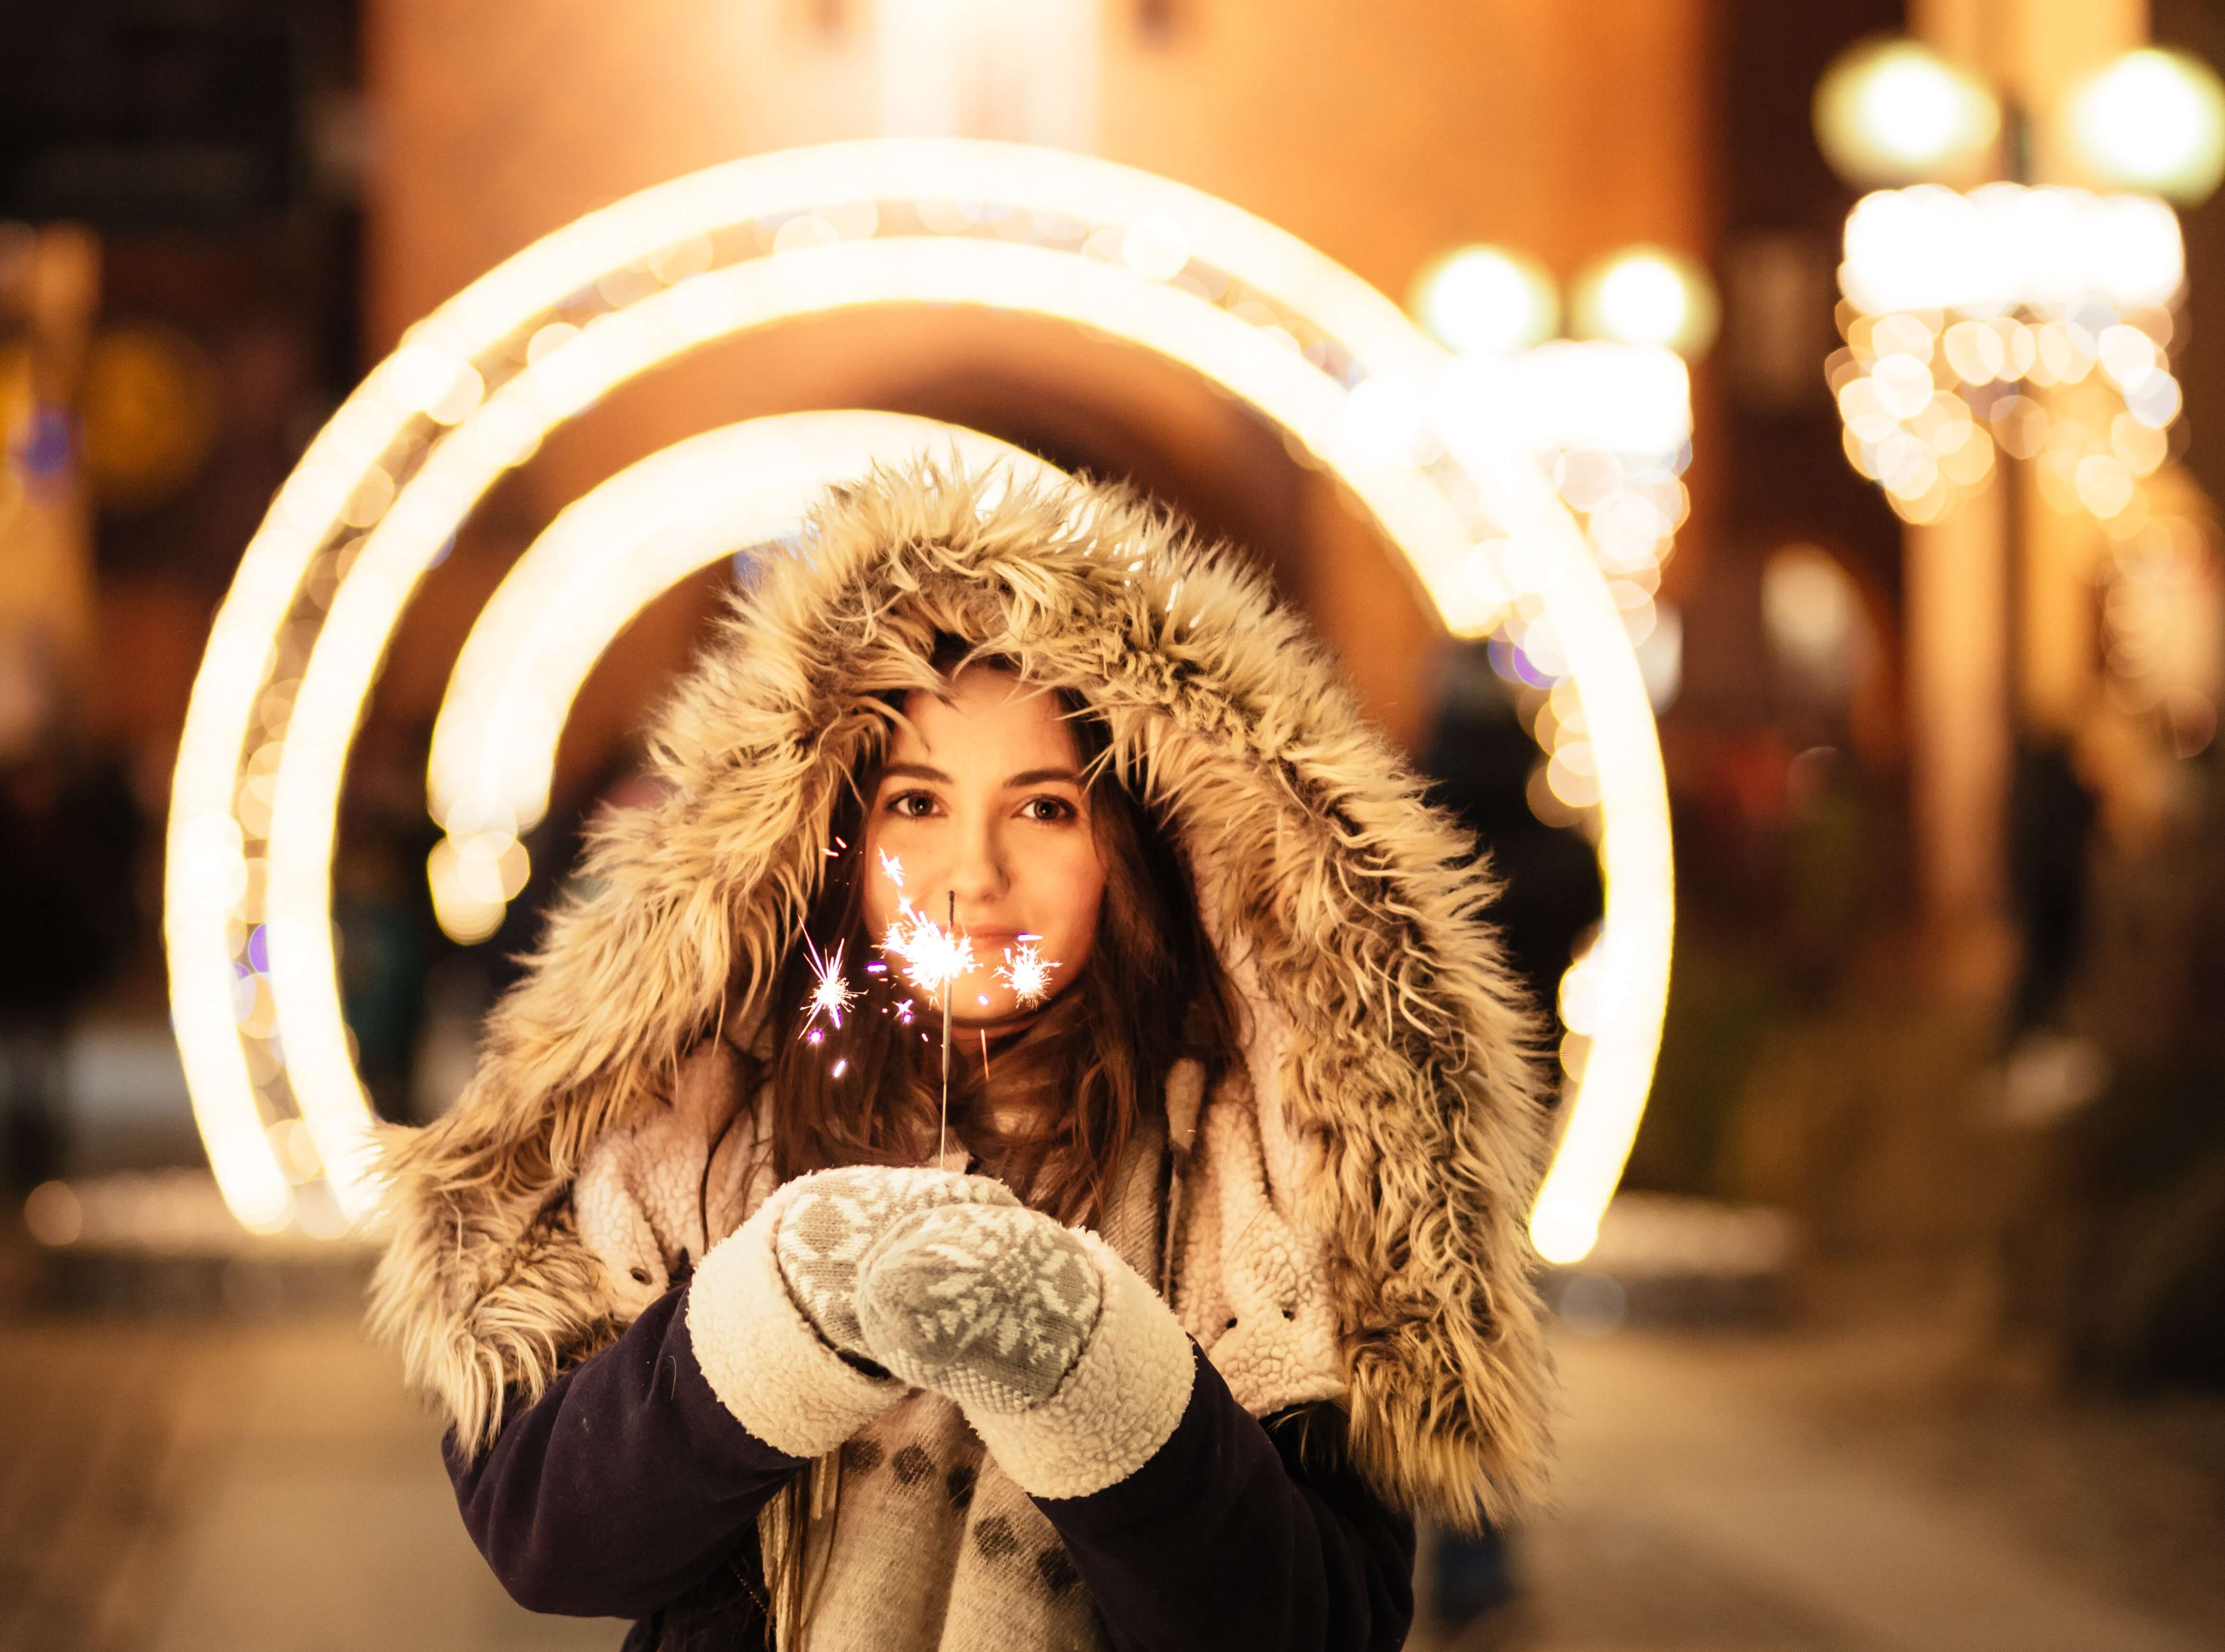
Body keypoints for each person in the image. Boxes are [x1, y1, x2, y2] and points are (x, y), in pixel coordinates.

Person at [369, 465, 1556, 1651]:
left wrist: (1083, 1356)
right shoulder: (701, 1110)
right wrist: (786, 1303)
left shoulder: (1266, 1162)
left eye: (1043, 808)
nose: (972, 874)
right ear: (839, 829)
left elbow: (1316, 1624)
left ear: (1130, 845)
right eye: (917, 803)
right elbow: (551, 1535)